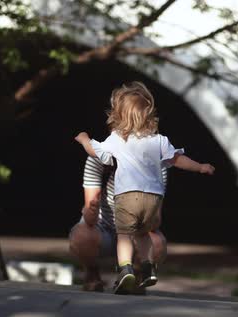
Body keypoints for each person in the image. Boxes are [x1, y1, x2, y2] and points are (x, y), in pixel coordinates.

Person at [75, 81, 215, 294]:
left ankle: (126, 270)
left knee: (124, 236)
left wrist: (84, 139)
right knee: (142, 235)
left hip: (127, 197)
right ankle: (148, 269)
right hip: (152, 198)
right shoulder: (159, 141)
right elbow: (178, 159)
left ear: (117, 116)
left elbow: (95, 151)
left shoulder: (116, 140)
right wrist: (200, 167)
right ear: (149, 114)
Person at [68, 155, 168, 292]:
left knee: (156, 243)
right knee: (82, 236)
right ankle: (92, 273)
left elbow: (155, 222)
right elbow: (89, 218)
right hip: (105, 227)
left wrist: (150, 212)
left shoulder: (155, 162)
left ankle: (136, 276)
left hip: (136, 229)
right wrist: (91, 208)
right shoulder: (99, 155)